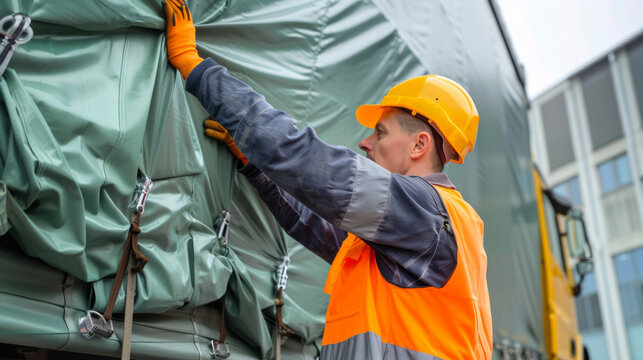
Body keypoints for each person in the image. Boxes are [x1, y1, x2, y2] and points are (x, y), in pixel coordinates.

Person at [163, 0, 492, 359]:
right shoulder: (412, 232)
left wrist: (195, 68)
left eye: (380, 133)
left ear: (419, 144)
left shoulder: (425, 211)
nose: (365, 142)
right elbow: (316, 226)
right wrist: (254, 164)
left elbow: (308, 161)